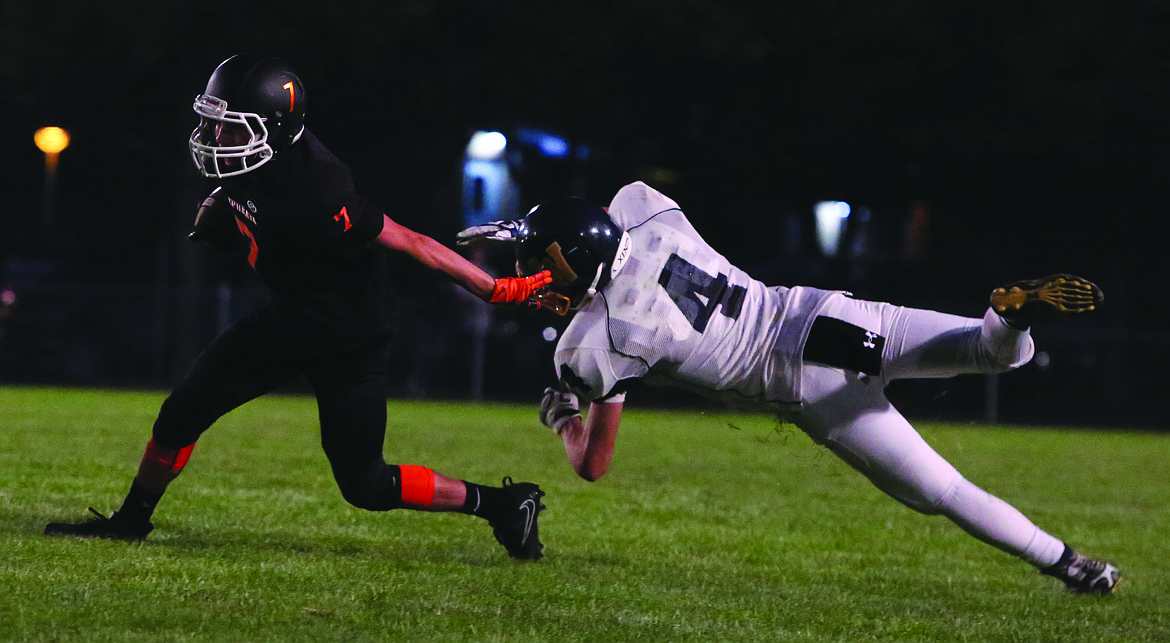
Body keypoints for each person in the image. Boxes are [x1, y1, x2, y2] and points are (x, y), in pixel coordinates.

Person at [457, 180, 1121, 589]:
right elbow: (606, 216)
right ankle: (1010, 316)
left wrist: (563, 415)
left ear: (577, 266)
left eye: (543, 269)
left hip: (802, 381)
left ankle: (1072, 563)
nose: (538, 281)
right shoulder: (642, 206)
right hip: (819, 314)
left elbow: (592, 462)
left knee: (941, 490)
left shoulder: (595, 343)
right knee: (990, 350)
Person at [43, 53, 550, 561]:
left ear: (276, 130)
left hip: (348, 336)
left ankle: (504, 505)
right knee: (181, 413)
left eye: (230, 129)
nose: (216, 139)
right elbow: (246, 198)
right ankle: (130, 522)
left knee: (365, 485)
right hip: (290, 317)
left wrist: (495, 288)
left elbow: (410, 241)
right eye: (214, 125)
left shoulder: (321, 187)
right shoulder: (251, 159)